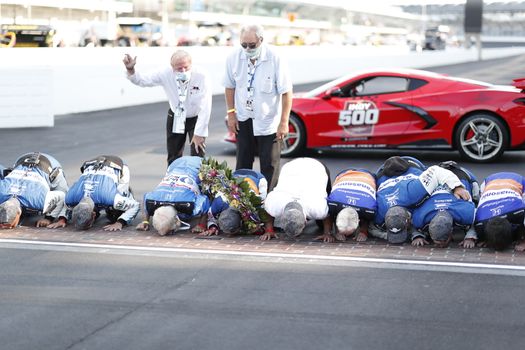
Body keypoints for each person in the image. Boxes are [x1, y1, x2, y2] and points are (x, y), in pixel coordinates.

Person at [224, 24, 293, 190]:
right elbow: (229, 86)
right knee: (242, 164)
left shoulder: (275, 57)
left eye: (252, 45)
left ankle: (268, 204)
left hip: (268, 121)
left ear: (261, 40)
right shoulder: (234, 57)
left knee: (269, 165)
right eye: (244, 45)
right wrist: (231, 114)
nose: (247, 49)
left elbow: (286, 92)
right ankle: (241, 201)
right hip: (244, 118)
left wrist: (284, 122)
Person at [123, 50, 212, 166]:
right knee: (174, 156)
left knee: (197, 155)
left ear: (191, 64)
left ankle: (198, 183)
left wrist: (200, 133)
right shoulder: (164, 73)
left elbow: (205, 105)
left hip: (196, 117)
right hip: (177, 115)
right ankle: (172, 182)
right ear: (172, 67)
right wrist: (131, 69)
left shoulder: (202, 75)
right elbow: (142, 80)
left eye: (186, 67)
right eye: (179, 69)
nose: (183, 71)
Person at [370, 156, 470, 244]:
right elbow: (370, 227)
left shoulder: (413, 192)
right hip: (383, 174)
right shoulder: (380, 212)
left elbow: (436, 171)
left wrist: (457, 187)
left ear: (408, 220)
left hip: (410, 165)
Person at [411, 161, 479, 248]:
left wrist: (470, 237)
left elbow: (478, 219)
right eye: (436, 241)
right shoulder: (420, 217)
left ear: (451, 230)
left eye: (444, 240)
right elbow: (410, 222)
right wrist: (417, 235)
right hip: (435, 178)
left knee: (476, 198)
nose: (441, 246)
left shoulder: (466, 212)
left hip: (461, 175)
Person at [262, 157, 332, 242]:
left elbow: (328, 215)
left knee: (321, 223)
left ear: (306, 222)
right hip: (291, 168)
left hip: (316, 167)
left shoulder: (317, 206)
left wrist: (327, 233)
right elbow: (267, 210)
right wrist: (269, 230)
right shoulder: (275, 203)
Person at [136, 156, 210, 236]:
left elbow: (205, 200)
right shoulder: (151, 201)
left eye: (170, 232)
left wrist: (202, 225)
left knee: (209, 189)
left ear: (177, 221)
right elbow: (145, 197)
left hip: (198, 165)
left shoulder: (190, 204)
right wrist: (145, 221)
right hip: (176, 164)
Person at [64, 155, 140, 231]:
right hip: (91, 164)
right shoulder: (69, 198)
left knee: (115, 215)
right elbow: (66, 209)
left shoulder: (110, 198)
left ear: (93, 214)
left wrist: (120, 222)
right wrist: (63, 219)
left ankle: (124, 195)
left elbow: (135, 206)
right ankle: (98, 208)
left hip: (117, 164)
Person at [0, 152, 68, 229]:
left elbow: (62, 196)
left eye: (9, 225)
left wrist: (51, 218)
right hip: (22, 161)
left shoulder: (39, 200)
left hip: (48, 165)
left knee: (65, 193)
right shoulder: (1, 192)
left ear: (18, 213)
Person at [198, 168, 268, 236]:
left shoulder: (252, 206)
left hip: (257, 177)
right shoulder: (218, 204)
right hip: (236, 174)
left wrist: (269, 230)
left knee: (263, 201)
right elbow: (211, 217)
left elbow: (268, 214)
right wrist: (212, 227)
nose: (229, 236)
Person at [473, 172, 525, 251]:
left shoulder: (519, 211)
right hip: (489, 181)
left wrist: (523, 241)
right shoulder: (480, 220)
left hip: (518, 181)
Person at [326, 168, 377, 242]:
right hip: (343, 175)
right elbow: (329, 215)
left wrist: (363, 231)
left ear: (358, 221)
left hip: (367, 176)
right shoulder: (332, 203)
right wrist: (336, 231)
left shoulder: (369, 209)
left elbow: (367, 218)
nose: (347, 236)